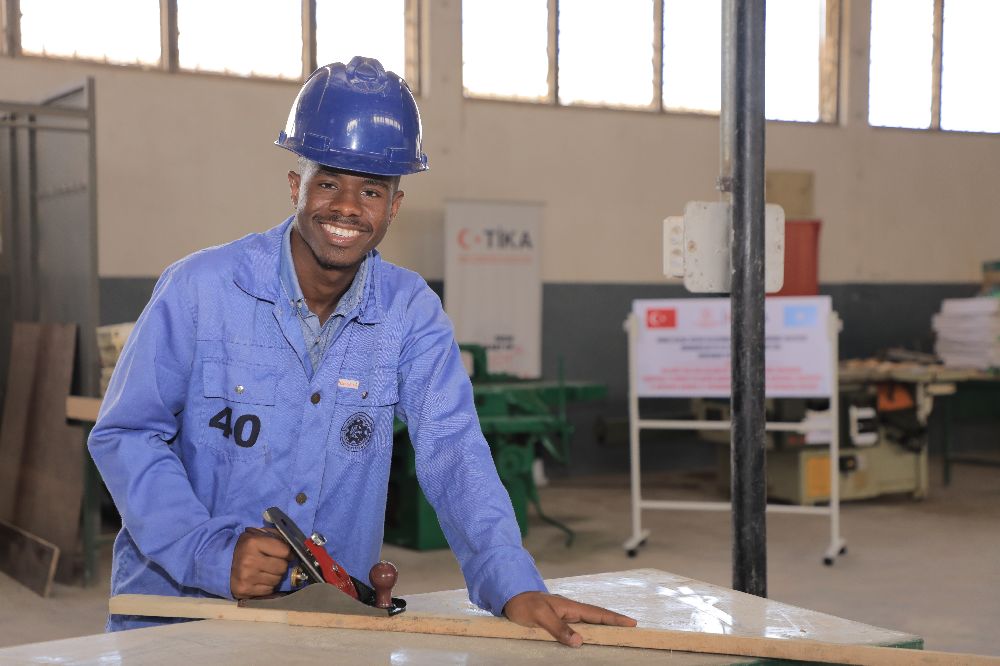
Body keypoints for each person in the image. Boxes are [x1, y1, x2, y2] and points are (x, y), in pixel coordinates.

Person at [89, 56, 636, 646]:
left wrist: (511, 583)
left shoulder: (410, 312)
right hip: (175, 616)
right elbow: (127, 434)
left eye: (371, 190)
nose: (348, 207)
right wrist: (207, 552)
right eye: (329, 182)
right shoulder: (200, 289)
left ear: (393, 206)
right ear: (296, 186)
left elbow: (453, 449)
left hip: (328, 623)